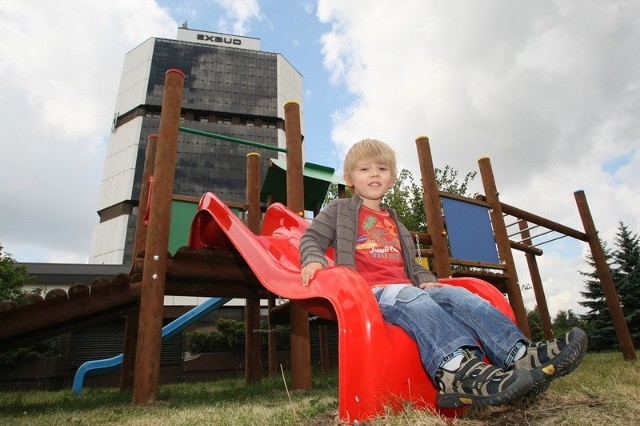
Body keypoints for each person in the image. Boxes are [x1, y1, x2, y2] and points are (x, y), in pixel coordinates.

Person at [299, 138, 587, 408]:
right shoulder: (340, 210)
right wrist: (312, 259)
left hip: (406, 289)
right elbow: (312, 238)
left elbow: (412, 266)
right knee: (411, 297)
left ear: (392, 178)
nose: (374, 174)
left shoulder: (395, 222)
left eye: (382, 168)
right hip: (368, 293)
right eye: (364, 169)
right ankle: (455, 370)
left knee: (457, 295)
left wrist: (428, 281)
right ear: (350, 179)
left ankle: (519, 355)